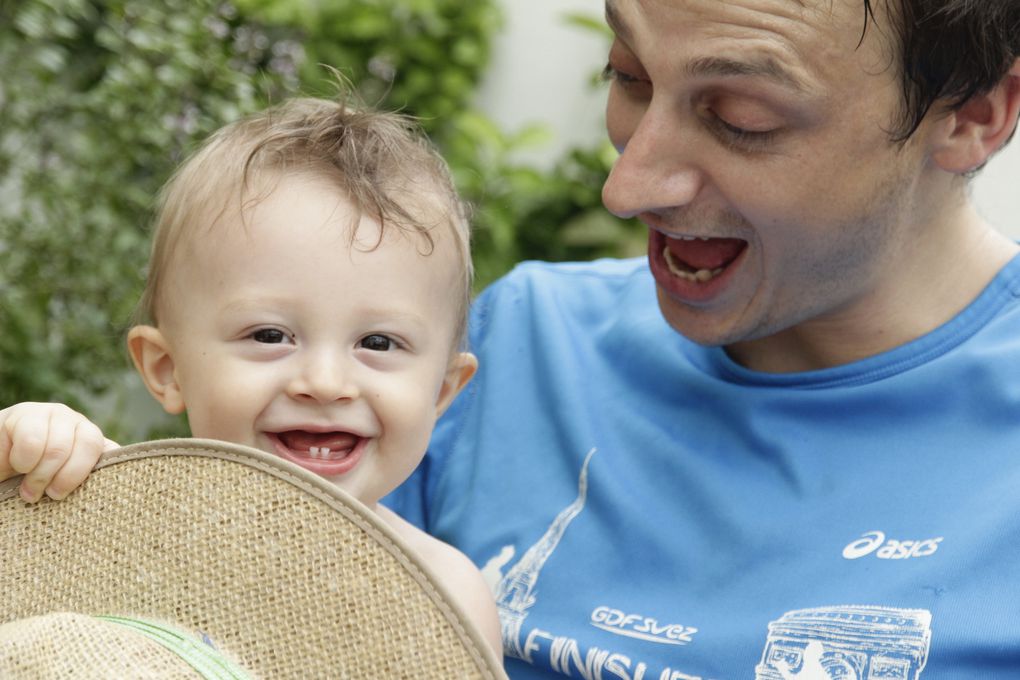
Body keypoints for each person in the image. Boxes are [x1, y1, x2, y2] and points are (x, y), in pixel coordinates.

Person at [382, 0, 1020, 678]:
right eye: (627, 75)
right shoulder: (512, 348)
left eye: (742, 118)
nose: (627, 188)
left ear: (973, 115)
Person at [0, 96, 503, 656]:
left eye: (378, 343)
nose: (326, 381)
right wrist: (30, 460)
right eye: (270, 336)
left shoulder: (443, 601)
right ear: (168, 370)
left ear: (440, 392)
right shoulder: (109, 523)